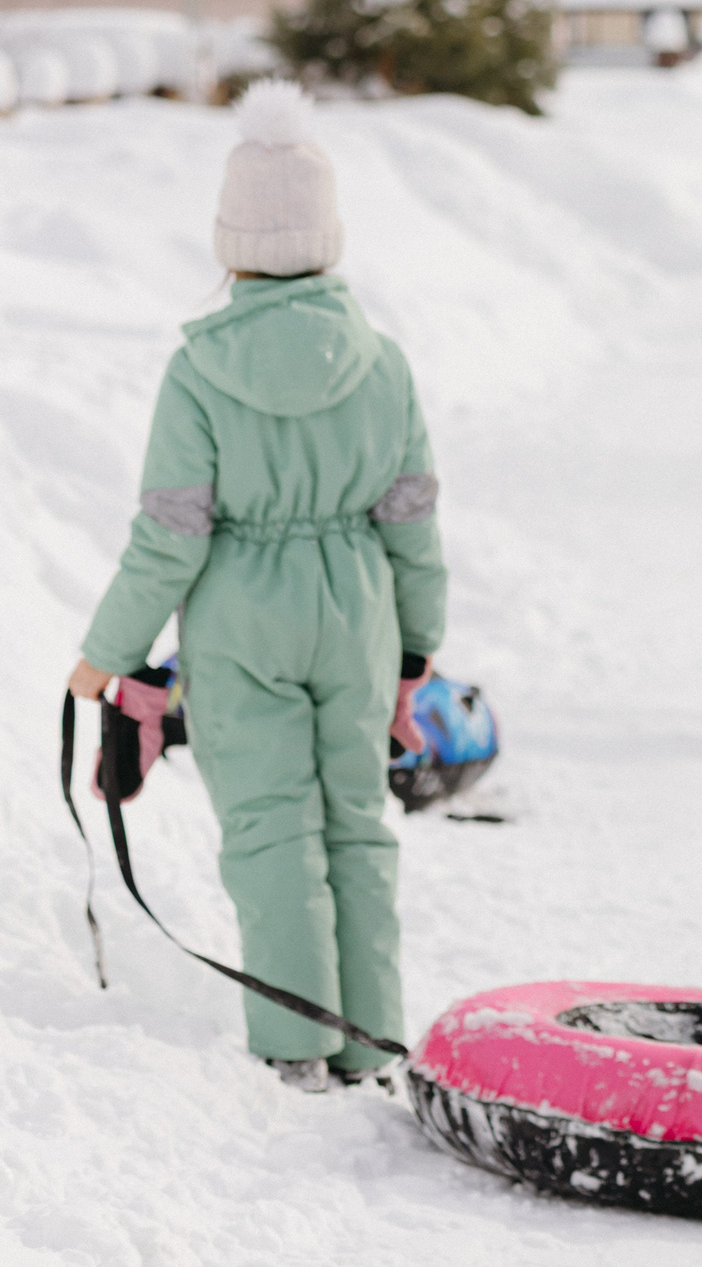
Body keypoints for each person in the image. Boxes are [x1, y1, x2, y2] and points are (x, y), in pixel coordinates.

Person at [65, 80, 444, 1092]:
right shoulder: (385, 364)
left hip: (242, 614)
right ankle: (372, 1038)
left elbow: (170, 536)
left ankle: (296, 1041)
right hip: (357, 606)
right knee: (359, 819)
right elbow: (412, 517)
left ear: (230, 239)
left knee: (273, 822)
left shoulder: (198, 371)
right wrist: (418, 642)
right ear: (329, 235)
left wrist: (107, 651)